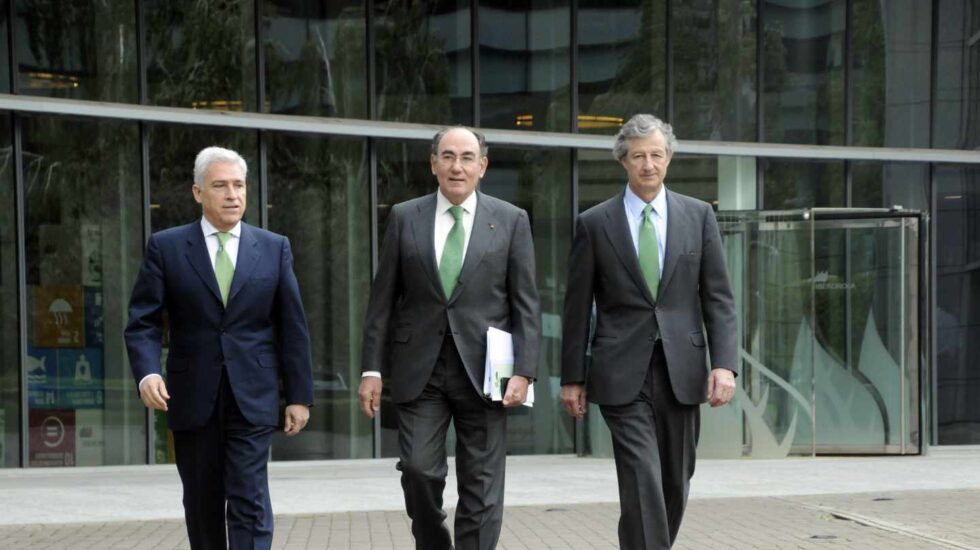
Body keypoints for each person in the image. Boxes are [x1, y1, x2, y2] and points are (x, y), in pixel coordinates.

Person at [358, 126, 540, 550]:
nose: (457, 166)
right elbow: (382, 300)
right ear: (433, 163)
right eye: (448, 156)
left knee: (482, 483)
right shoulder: (405, 217)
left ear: (483, 166)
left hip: (486, 373)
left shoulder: (512, 220)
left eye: (467, 157)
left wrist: (525, 372)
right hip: (419, 369)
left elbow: (526, 304)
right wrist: (371, 368)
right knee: (419, 470)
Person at [559, 114, 737, 549]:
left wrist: (725, 366)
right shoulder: (595, 223)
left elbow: (718, 297)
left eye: (657, 155)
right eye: (638, 156)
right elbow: (577, 306)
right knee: (642, 476)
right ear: (624, 161)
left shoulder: (698, 217)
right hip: (621, 371)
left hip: (683, 369)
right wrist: (572, 377)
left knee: (674, 483)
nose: (648, 164)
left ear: (669, 158)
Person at [125, 146, 314, 550]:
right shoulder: (167, 247)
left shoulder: (274, 246)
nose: (233, 194)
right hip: (192, 396)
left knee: (249, 498)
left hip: (253, 395)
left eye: (239, 185)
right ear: (197, 193)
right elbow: (142, 321)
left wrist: (298, 396)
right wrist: (147, 372)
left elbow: (292, 327)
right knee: (202, 501)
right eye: (220, 185)